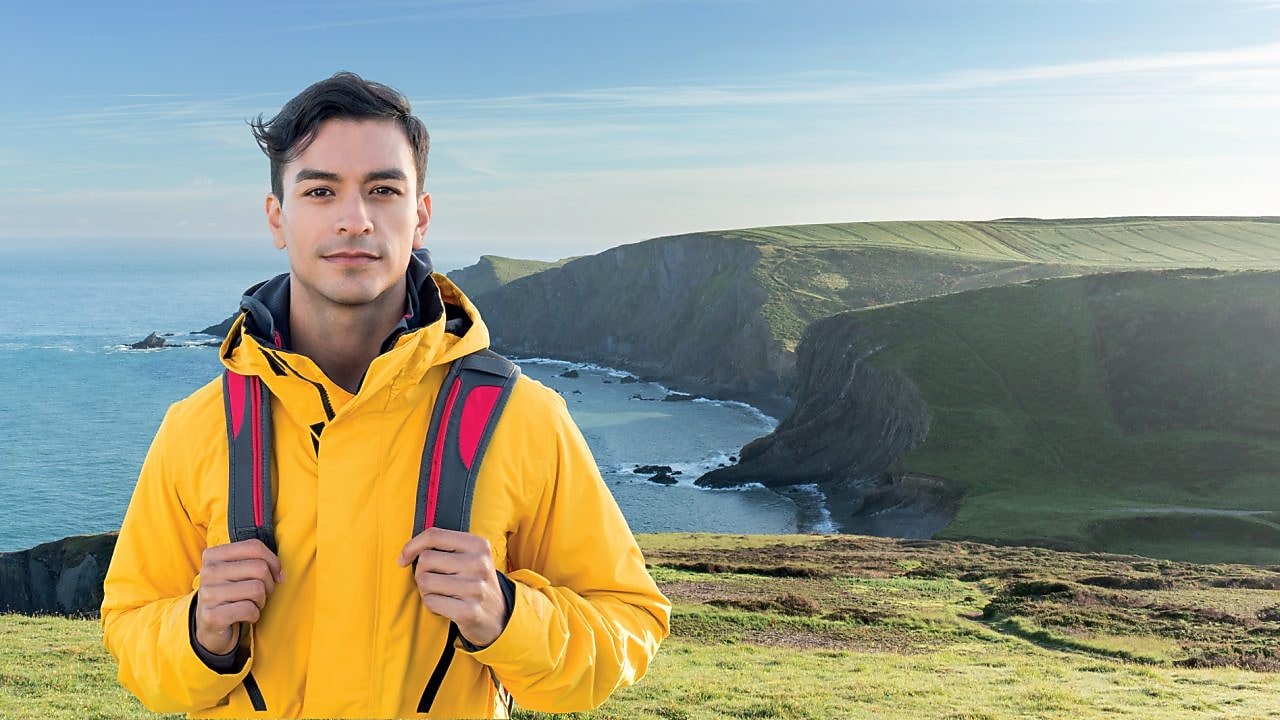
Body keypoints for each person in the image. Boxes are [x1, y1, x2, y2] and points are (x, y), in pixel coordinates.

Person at [100, 72, 670, 719]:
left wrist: (507, 616)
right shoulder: (197, 428)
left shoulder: (524, 418)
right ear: (277, 218)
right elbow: (130, 628)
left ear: (419, 214)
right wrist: (199, 632)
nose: (354, 218)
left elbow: (629, 623)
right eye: (320, 190)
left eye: (383, 189)